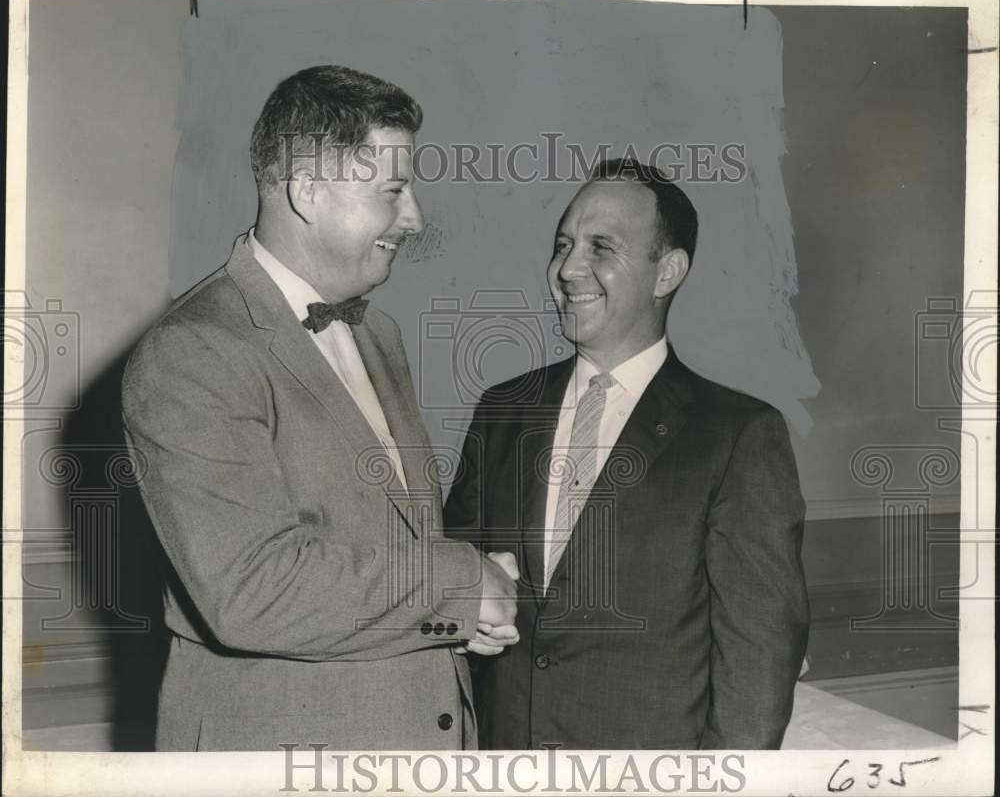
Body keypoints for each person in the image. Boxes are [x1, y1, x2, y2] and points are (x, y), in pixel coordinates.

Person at [122, 65, 517, 751]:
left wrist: (464, 616)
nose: (415, 218)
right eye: (393, 191)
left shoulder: (380, 334)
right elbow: (252, 591)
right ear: (307, 191)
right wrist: (462, 584)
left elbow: (382, 550)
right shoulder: (191, 352)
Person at [444, 158, 810, 749]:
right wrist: (463, 618)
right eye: (562, 245)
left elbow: (760, 661)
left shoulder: (739, 435)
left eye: (600, 247)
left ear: (666, 272)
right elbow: (451, 570)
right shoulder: (503, 409)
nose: (567, 269)